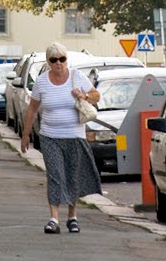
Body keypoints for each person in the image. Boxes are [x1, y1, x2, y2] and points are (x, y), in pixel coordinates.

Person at [21, 42, 101, 234]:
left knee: (73, 176)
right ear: (48, 62)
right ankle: (54, 218)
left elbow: (96, 95)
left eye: (62, 59)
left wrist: (83, 95)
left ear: (66, 59)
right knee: (55, 175)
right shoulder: (41, 81)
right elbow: (32, 108)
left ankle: (72, 217)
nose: (58, 63)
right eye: (54, 60)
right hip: (50, 136)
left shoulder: (77, 76)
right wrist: (25, 134)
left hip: (75, 136)